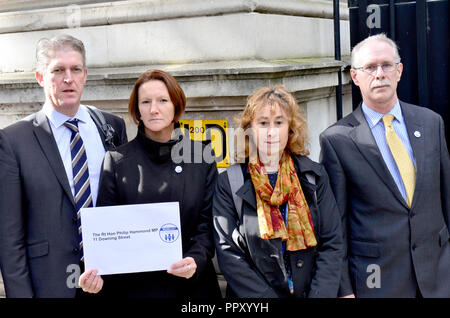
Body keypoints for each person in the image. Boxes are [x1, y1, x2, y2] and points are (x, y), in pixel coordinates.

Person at [320, 33, 450, 298]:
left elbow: (447, 197)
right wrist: (344, 289)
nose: (379, 74)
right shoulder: (337, 140)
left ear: (399, 71)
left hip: (438, 275)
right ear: (355, 77)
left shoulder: (431, 123)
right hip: (376, 281)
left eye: (386, 65)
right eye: (369, 67)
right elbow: (335, 225)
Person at [0, 34, 128, 298]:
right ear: (40, 77)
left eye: (75, 69)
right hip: (49, 285)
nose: (67, 78)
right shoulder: (13, 140)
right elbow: (9, 237)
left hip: (110, 282)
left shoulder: (112, 127)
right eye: (58, 70)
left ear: (85, 75)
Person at [79, 69, 221, 298]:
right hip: (134, 289)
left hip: (191, 287)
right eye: (146, 102)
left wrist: (195, 259)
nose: (154, 109)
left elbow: (208, 224)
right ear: (137, 111)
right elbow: (107, 231)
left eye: (163, 100)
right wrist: (95, 274)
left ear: (176, 105)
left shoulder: (201, 156)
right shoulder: (116, 161)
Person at [213, 86, 344, 298]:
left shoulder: (313, 176)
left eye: (279, 122)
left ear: (291, 128)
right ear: (250, 129)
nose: (271, 132)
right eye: (263, 123)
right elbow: (229, 255)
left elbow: (332, 244)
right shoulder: (230, 182)